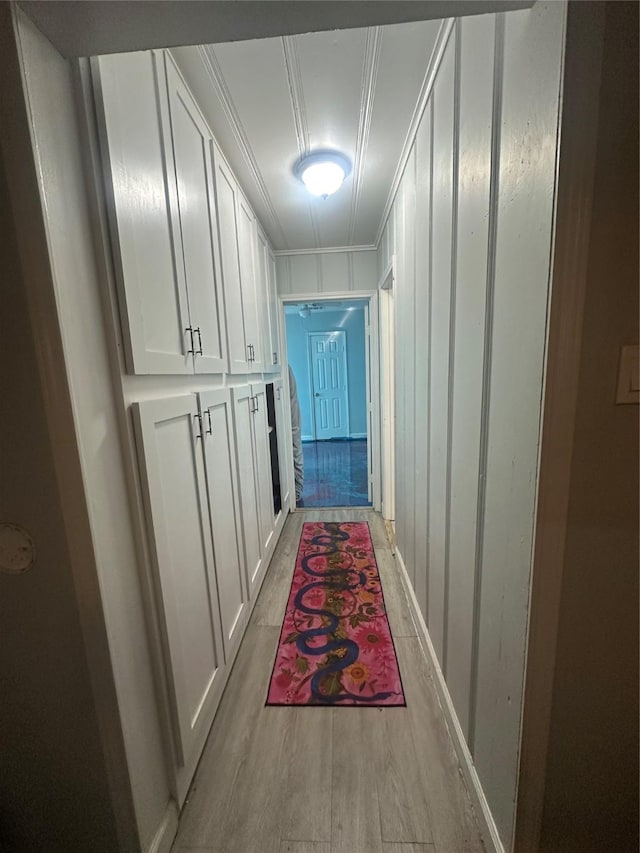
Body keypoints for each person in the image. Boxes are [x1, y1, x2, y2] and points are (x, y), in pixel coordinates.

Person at [288, 366, 304, 506]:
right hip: (288, 418)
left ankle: (297, 490)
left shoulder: (286, 369)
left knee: (295, 449)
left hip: (292, 420)